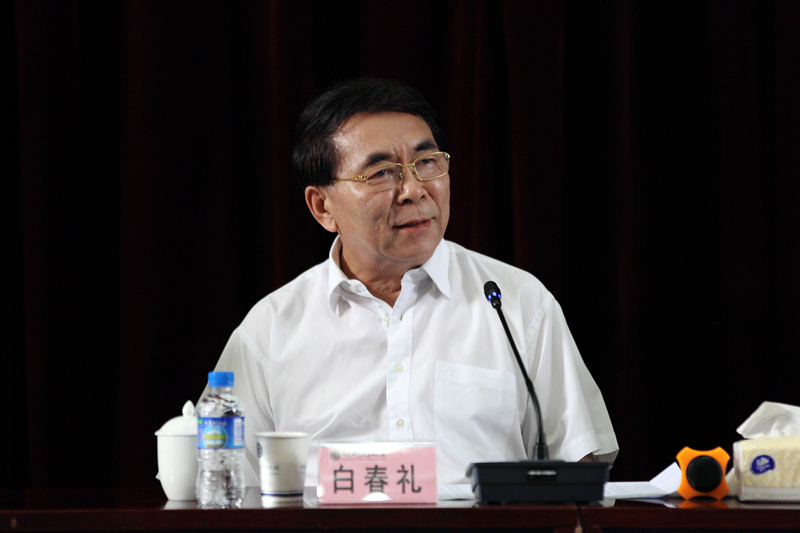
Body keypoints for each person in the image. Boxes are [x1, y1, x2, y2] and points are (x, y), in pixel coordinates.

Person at [212, 77, 618, 487]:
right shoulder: (270, 330)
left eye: (426, 163)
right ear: (323, 207)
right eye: (381, 172)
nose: (414, 190)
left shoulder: (516, 302)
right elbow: (222, 482)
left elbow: (579, 464)